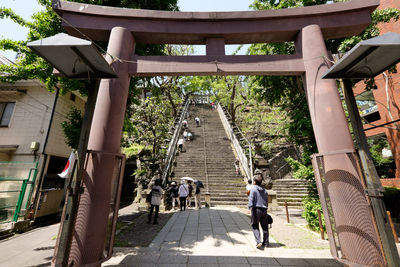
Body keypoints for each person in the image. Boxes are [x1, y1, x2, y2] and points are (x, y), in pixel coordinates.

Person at [248, 175, 269, 249]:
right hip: (264, 210)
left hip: (256, 209)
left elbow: (251, 199)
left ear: (254, 182)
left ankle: (258, 241)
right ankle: (266, 242)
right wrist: (266, 208)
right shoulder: (265, 191)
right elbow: (266, 201)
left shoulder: (253, 189)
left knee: (255, 225)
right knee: (265, 227)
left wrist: (249, 208)